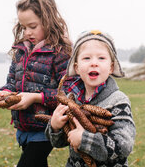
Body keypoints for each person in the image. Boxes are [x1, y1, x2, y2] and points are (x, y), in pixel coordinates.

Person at [0, 0, 72, 167]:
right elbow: (11, 82)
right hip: (23, 126)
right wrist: (6, 92)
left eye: (32, 26)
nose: (27, 32)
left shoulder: (59, 53)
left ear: (48, 21)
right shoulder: (21, 52)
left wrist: (35, 97)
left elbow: (68, 94)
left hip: (44, 129)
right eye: (23, 27)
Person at [46, 30, 136, 167]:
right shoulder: (71, 99)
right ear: (76, 67)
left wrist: (85, 140)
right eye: (86, 58)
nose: (94, 63)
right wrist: (55, 126)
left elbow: (123, 146)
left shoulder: (118, 101)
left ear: (111, 67)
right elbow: (59, 142)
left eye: (101, 58)